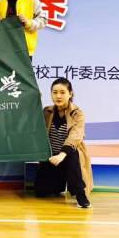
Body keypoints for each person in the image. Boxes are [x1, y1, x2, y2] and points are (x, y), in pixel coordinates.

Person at [34, 78, 93, 208]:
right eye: (54, 92)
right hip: (51, 156)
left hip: (68, 155)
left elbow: (75, 136)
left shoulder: (77, 113)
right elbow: (36, 127)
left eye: (62, 92)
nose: (58, 96)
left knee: (72, 155)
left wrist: (62, 155)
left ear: (70, 93)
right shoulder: (47, 111)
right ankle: (58, 185)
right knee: (40, 192)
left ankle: (80, 195)